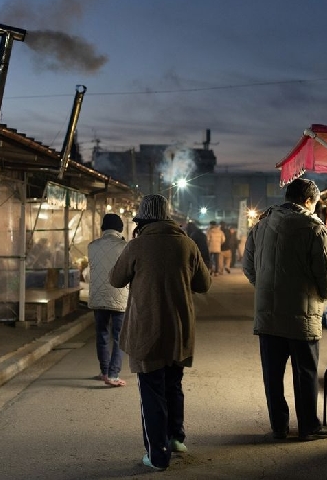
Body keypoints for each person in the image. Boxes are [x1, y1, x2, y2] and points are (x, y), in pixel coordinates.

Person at [110, 194, 212, 471]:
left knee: (152, 391)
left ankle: (158, 456)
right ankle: (176, 438)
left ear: (142, 220)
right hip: (180, 329)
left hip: (148, 329)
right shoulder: (187, 244)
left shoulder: (137, 246)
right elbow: (204, 284)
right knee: (173, 384)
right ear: (168, 218)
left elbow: (115, 279)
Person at [243, 178, 327, 442]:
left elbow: (249, 267)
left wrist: (265, 290)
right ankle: (308, 426)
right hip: (302, 314)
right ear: (309, 201)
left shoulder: (260, 226)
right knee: (304, 372)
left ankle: (279, 427)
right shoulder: (314, 227)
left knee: (272, 375)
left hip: (268, 316)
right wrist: (321, 296)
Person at [87, 213, 129, 387]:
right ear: (120, 228)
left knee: (102, 335)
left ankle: (104, 371)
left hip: (98, 296)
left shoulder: (92, 246)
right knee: (119, 337)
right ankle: (113, 374)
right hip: (120, 295)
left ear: (103, 228)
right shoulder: (126, 247)